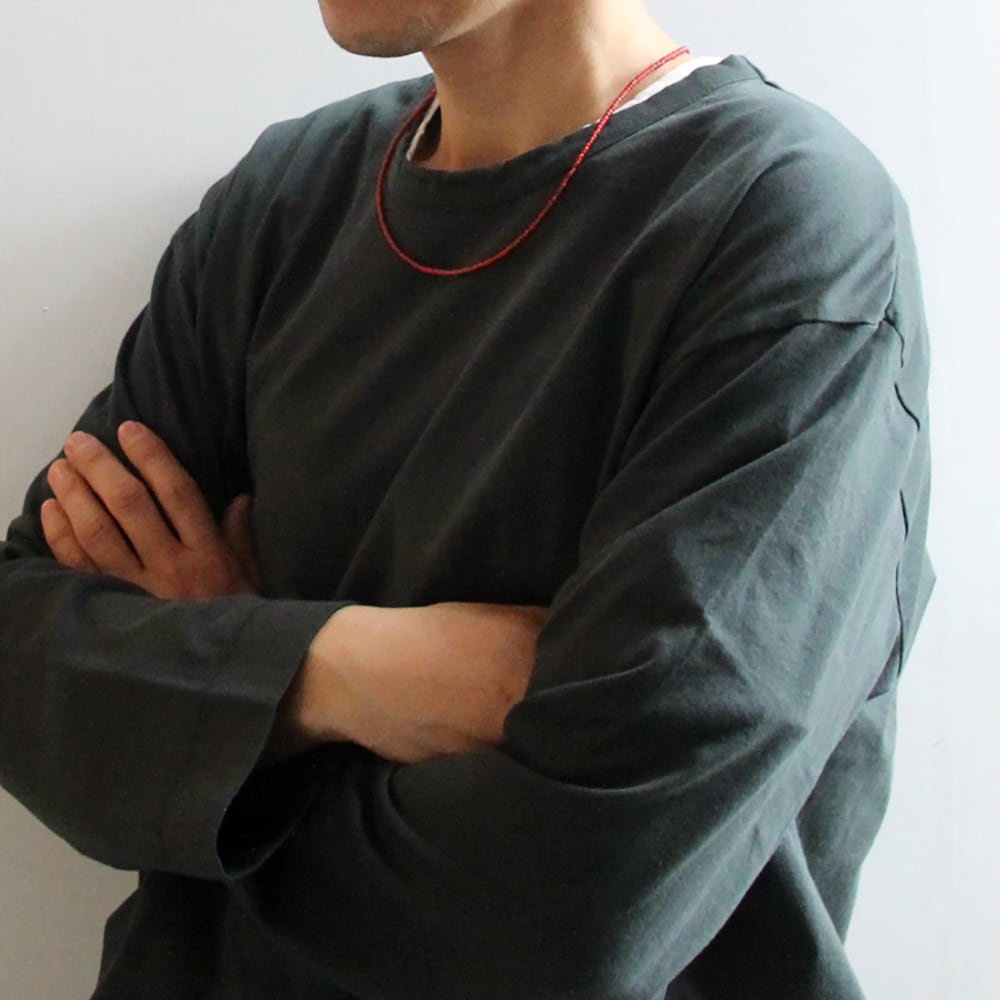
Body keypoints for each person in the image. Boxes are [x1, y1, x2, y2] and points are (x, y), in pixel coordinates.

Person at [0, 1, 934, 997]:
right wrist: (336, 670)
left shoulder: (783, 225)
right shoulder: (285, 195)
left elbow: (578, 905)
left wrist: (210, 709)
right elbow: (21, 652)